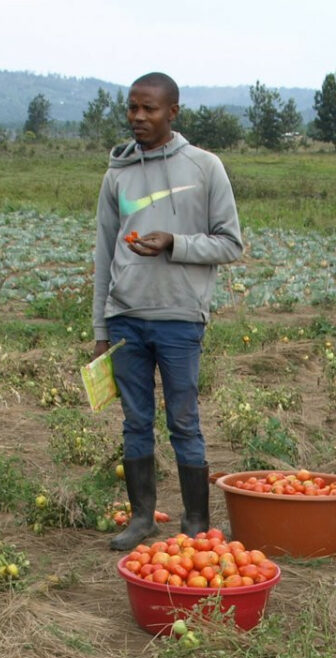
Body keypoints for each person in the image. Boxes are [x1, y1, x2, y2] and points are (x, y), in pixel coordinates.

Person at [93, 72, 245, 550]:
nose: (138, 117)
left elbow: (230, 243)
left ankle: (196, 519)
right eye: (133, 108)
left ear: (173, 112)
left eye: (150, 109)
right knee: (135, 421)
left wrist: (175, 244)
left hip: (180, 318)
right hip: (125, 319)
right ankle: (141, 518)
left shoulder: (204, 167)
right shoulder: (117, 173)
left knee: (184, 421)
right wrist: (100, 326)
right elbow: (103, 252)